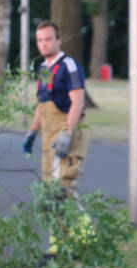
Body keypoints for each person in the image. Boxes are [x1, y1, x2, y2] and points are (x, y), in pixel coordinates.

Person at [21, 21, 89, 195]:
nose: (43, 44)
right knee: (48, 189)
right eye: (40, 40)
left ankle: (79, 223)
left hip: (67, 132)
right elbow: (42, 104)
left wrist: (67, 133)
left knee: (63, 190)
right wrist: (32, 132)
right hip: (49, 137)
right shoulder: (43, 69)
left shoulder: (69, 65)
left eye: (48, 39)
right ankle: (57, 224)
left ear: (59, 40)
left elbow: (78, 102)